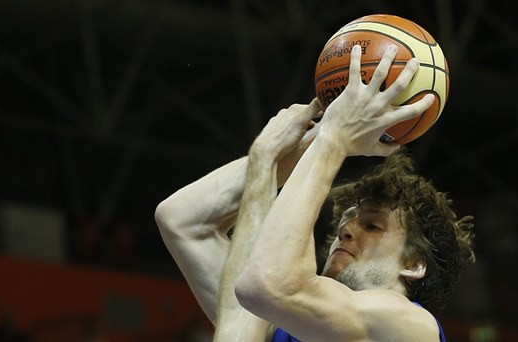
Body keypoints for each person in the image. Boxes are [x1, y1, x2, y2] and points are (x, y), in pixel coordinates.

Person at [155, 45, 475, 341]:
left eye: (372, 225)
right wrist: (270, 157)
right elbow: (183, 220)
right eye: (343, 224)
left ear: (414, 263)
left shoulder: (409, 327)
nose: (346, 231)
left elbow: (264, 285)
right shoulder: (284, 321)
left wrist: (335, 138)